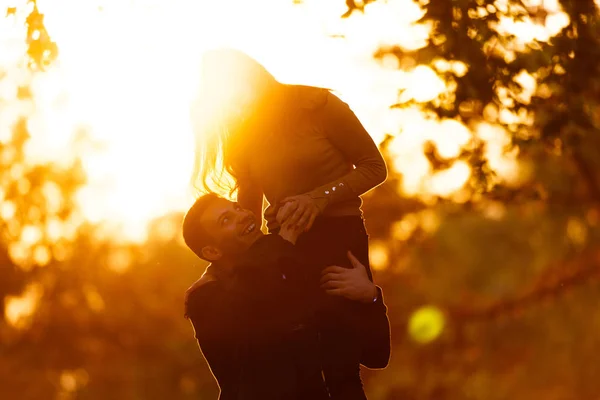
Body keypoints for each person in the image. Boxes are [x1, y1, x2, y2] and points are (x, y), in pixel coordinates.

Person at [191, 48, 390, 399]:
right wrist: (219, 267)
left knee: (344, 360)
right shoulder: (240, 135)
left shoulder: (317, 104)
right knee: (286, 356)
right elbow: (245, 215)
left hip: (338, 240)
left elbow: (374, 167)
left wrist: (318, 198)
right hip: (284, 245)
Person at [182, 194, 389, 399]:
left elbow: (377, 355)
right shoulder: (205, 300)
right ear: (212, 251)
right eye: (226, 220)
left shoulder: (298, 263)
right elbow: (256, 324)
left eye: (237, 208)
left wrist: (370, 297)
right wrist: (283, 243)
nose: (243, 215)